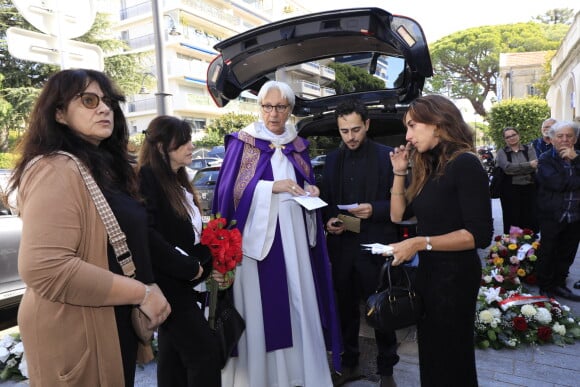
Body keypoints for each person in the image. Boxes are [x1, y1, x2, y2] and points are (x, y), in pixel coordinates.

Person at [4, 69, 171, 386]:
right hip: (76, 329)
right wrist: (142, 292)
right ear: (59, 114)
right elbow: (45, 267)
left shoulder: (101, 166)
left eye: (107, 101)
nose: (104, 108)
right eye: (89, 100)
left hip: (107, 321)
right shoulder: (55, 167)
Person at [211, 80, 342, 387]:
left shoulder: (299, 145)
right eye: (267, 106)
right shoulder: (243, 143)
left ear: (289, 110)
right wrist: (271, 188)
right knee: (261, 311)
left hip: (294, 238)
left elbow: (305, 181)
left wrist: (311, 189)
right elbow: (229, 193)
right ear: (260, 108)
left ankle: (301, 373)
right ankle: (261, 378)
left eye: (280, 107)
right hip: (259, 242)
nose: (273, 113)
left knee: (298, 300)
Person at [388, 95, 493, 387]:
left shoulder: (465, 163)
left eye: (412, 126)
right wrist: (399, 171)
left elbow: (478, 235)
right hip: (431, 275)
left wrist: (420, 242)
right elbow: (398, 215)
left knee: (452, 359)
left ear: (437, 122)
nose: (407, 136)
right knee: (433, 357)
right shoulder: (429, 166)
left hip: (455, 279)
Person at [320, 100, 399, 387]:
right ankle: (350, 364)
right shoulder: (331, 160)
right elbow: (326, 201)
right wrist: (328, 220)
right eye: (344, 131)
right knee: (345, 310)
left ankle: (387, 370)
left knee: (381, 311)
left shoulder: (388, 156)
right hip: (342, 249)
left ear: (367, 124)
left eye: (355, 129)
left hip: (375, 247)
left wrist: (374, 209)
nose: (350, 137)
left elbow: (403, 203)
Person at [137, 115, 221, 386]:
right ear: (162, 146)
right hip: (169, 285)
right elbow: (148, 236)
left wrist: (208, 258)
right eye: (183, 141)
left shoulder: (178, 180)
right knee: (205, 354)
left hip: (184, 283)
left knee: (173, 360)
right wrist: (189, 267)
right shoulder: (147, 178)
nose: (191, 146)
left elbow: (189, 233)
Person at [535, 120, 580, 301]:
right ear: (552, 139)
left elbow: (565, 183)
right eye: (560, 136)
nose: (564, 139)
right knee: (548, 252)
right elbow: (557, 184)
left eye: (569, 136)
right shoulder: (546, 159)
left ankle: (560, 285)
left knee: (567, 253)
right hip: (553, 215)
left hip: (576, 215)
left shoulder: (579, 157)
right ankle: (545, 286)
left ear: (575, 139)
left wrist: (576, 160)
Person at [496, 127, 538, 234]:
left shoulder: (529, 149)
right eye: (508, 137)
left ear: (518, 135)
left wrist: (515, 168)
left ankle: (530, 244)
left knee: (529, 217)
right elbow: (507, 169)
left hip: (529, 189)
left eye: (513, 135)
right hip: (510, 191)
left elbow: (535, 166)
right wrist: (528, 165)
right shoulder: (501, 152)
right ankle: (512, 245)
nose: (511, 138)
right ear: (505, 139)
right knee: (512, 218)